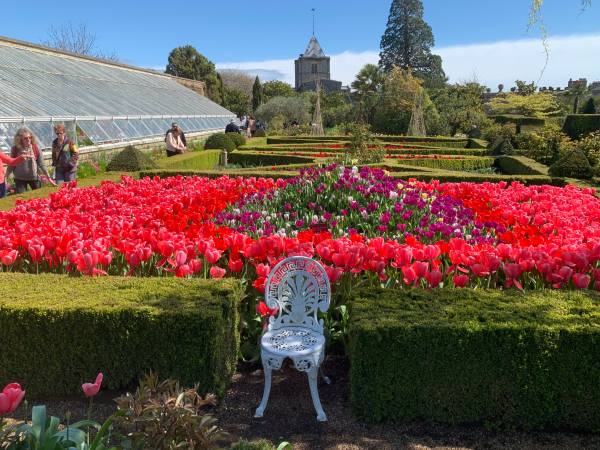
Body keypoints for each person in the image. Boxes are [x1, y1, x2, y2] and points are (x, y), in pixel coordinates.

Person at [6, 128, 56, 193]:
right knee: (22, 198)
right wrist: (5, 176)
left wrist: (49, 178)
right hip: (20, 179)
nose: (28, 140)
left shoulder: (36, 148)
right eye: (26, 138)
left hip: (34, 178)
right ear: (20, 139)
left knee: (38, 197)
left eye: (30, 137)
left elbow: (41, 164)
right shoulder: (15, 149)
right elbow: (11, 164)